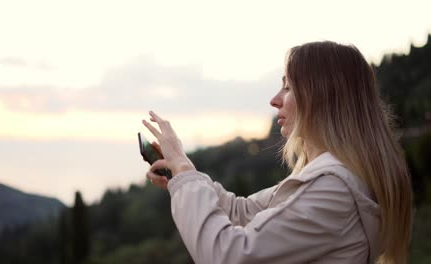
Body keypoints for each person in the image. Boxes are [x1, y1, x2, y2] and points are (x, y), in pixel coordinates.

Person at [142, 41, 412, 264]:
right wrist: (183, 173)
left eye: (288, 87)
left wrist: (186, 175)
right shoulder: (331, 179)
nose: (274, 99)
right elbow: (242, 211)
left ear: (322, 96)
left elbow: (228, 255)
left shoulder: (334, 189)